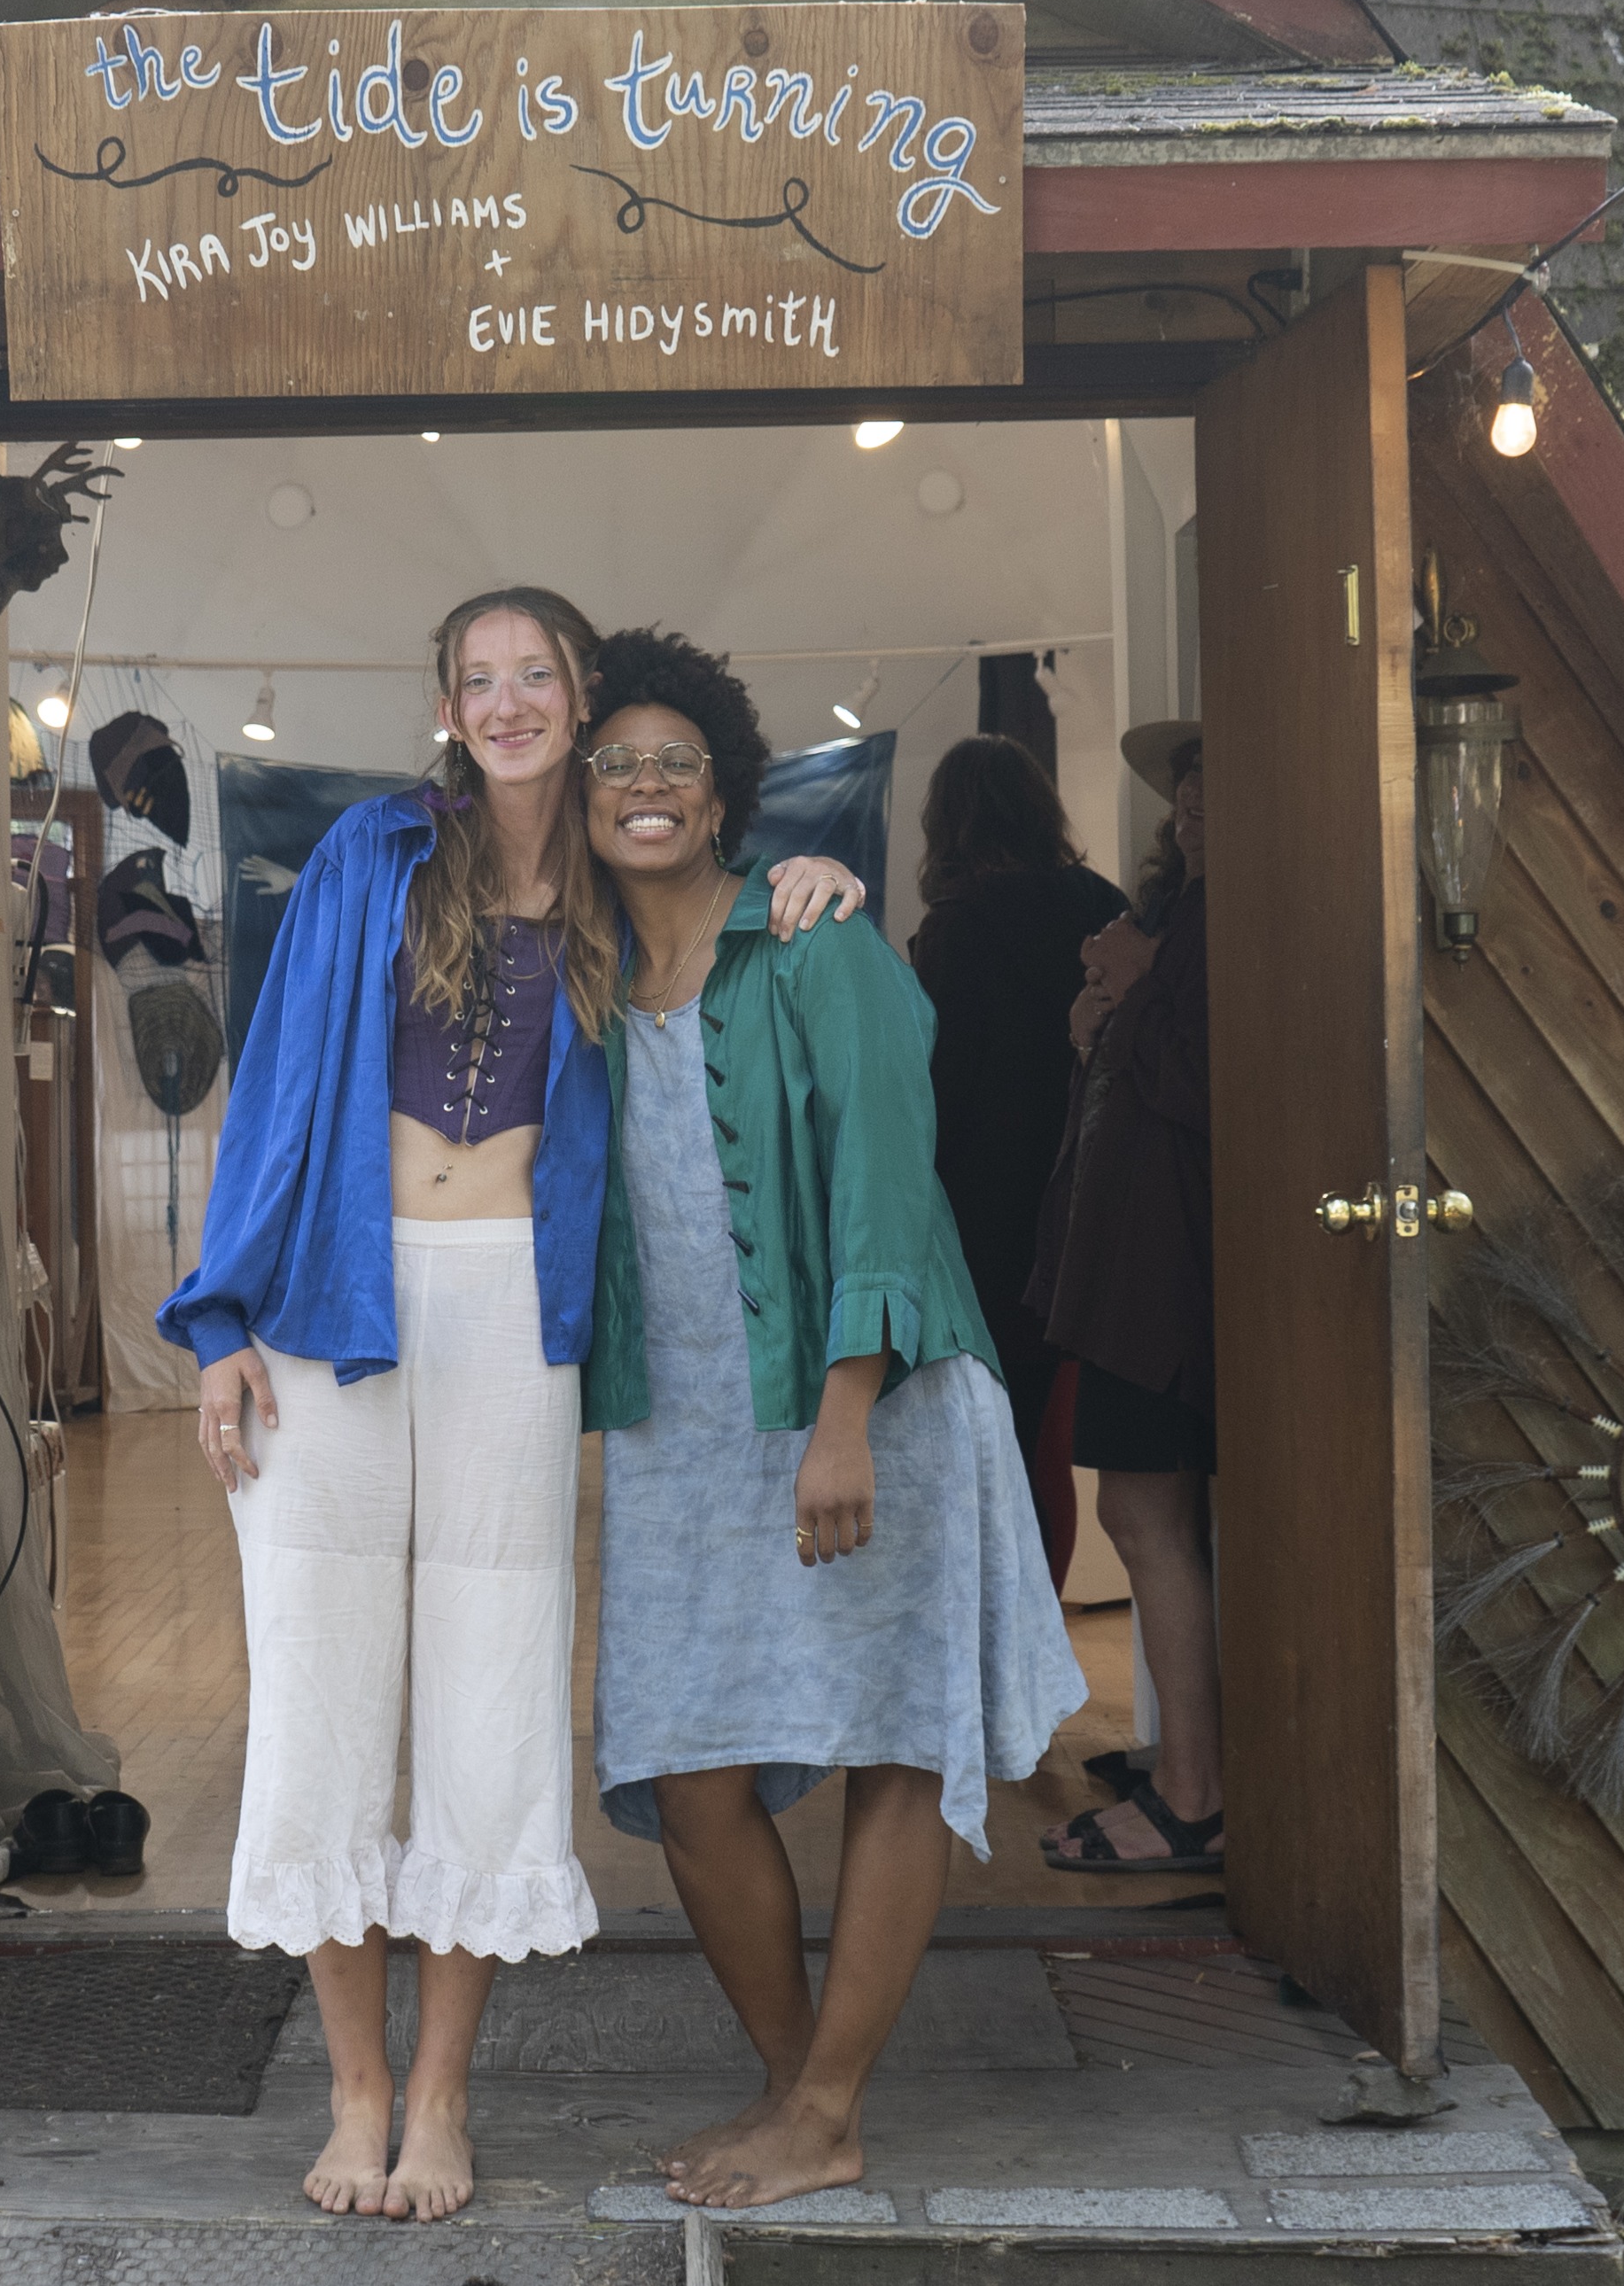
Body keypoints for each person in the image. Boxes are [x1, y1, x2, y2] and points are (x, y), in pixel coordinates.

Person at [161, 587, 862, 2224]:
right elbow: (277, 1081)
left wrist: (813, 879)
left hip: (513, 1320)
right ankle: (352, 2088)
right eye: (476, 678)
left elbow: (727, 901)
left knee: (492, 1698)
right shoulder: (374, 853)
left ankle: (440, 2097)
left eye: (532, 672)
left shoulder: (621, 881)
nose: (505, 701)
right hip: (333, 1299)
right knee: (322, 1690)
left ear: (581, 691)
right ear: (447, 706)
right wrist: (219, 1318)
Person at [580, 627, 1085, 2212]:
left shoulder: (819, 945)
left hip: (874, 1403)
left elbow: (885, 1183)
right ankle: (800, 2089)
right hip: (679, 1436)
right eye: (615, 762)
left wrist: (844, 1415)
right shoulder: (580, 977)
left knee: (892, 1737)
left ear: (724, 791)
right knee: (684, 1766)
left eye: (675, 760)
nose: (646, 784)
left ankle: (823, 2109)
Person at [1028, 722, 1217, 1874]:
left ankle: (1193, 1793)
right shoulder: (1180, 918)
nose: (1190, 803)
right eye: (1185, 786)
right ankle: (1192, 1763)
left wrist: (1136, 989)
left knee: (1146, 1517)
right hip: (1140, 1272)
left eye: (1214, 786)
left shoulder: (1217, 928)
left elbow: (1210, 1083)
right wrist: (1095, 1026)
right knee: (1147, 1518)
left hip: (1168, 1278)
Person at [907, 735, 1128, 1571]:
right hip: (1088, 1206)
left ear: (946, 822)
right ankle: (1044, 1634)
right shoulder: (1103, 905)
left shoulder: (958, 926)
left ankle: (993, 1635)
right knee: (1047, 1445)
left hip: (982, 1223)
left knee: (980, 1445)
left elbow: (938, 1088)